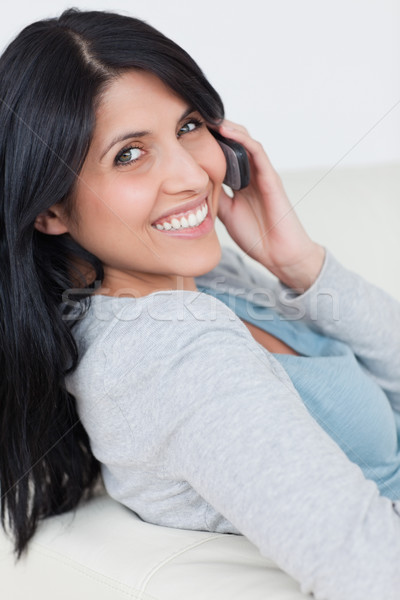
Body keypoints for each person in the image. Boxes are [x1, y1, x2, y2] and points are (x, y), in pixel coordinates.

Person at [0, 8, 400, 599]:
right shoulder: (168, 353)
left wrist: (300, 265)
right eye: (129, 155)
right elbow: (368, 567)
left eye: (188, 126)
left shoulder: (196, 273)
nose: (192, 175)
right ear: (51, 210)